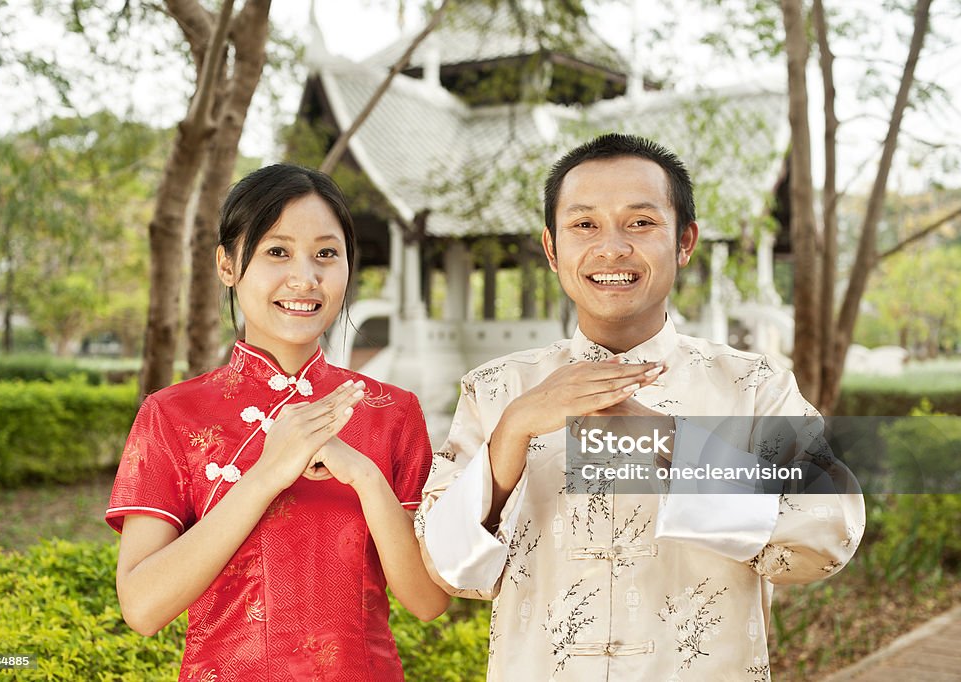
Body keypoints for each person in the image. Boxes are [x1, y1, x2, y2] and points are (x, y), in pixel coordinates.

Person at [416, 134, 865, 680]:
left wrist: (662, 435)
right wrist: (511, 434)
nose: (611, 248)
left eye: (640, 223)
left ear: (685, 242)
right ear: (553, 249)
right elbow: (445, 568)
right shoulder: (496, 389)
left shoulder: (753, 386)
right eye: (584, 225)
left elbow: (829, 533)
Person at [107, 164, 449, 681]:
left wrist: (363, 476)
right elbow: (143, 607)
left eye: (327, 254)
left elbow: (427, 601)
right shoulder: (173, 415)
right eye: (277, 251)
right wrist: (268, 473)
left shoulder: (391, 410)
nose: (305, 278)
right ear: (227, 264)